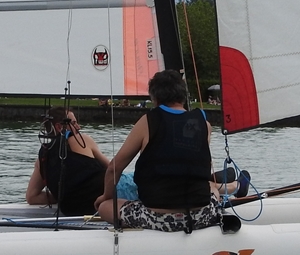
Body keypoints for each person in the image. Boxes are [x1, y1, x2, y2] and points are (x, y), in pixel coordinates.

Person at [95, 69, 222, 232]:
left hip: (157, 217)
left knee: (105, 206)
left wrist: (106, 197)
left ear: (155, 98)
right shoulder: (205, 124)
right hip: (200, 216)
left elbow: (114, 168)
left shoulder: (148, 122)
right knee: (213, 188)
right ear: (183, 95)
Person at [26, 107, 109, 215]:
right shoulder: (82, 140)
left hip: (70, 209)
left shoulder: (43, 158)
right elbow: (113, 169)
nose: (78, 127)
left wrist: (60, 196)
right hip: (100, 203)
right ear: (59, 127)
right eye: (73, 123)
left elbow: (32, 197)